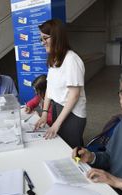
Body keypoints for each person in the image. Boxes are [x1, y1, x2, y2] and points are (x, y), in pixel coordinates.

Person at [33, 19, 87, 148]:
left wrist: (57, 124)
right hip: (58, 107)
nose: (43, 43)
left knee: (71, 148)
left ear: (57, 37)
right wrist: (44, 113)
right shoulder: (54, 59)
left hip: (72, 112)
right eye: (41, 39)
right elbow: (49, 89)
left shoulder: (71, 60)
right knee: (60, 143)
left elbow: (74, 96)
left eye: (45, 38)